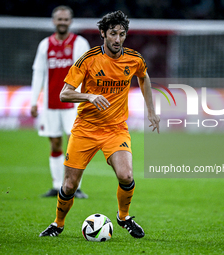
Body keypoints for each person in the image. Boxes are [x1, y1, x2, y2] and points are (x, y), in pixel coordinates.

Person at [39, 10, 160, 238]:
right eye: (113, 33)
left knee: (126, 176)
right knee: (69, 186)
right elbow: (65, 94)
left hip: (116, 130)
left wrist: (151, 111)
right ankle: (58, 224)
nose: (117, 39)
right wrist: (89, 96)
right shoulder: (88, 59)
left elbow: (143, 77)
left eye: (122, 34)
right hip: (85, 129)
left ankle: (123, 217)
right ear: (103, 33)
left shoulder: (134, 59)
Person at [30, 5, 89, 198]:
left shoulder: (80, 43)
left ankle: (75, 187)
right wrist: (33, 101)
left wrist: (86, 99)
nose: (62, 22)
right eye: (59, 19)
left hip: (74, 103)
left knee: (76, 145)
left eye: (65, 19)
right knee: (55, 144)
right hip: (50, 103)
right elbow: (38, 73)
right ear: (54, 21)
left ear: (70, 21)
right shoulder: (45, 45)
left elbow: (87, 73)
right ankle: (57, 186)